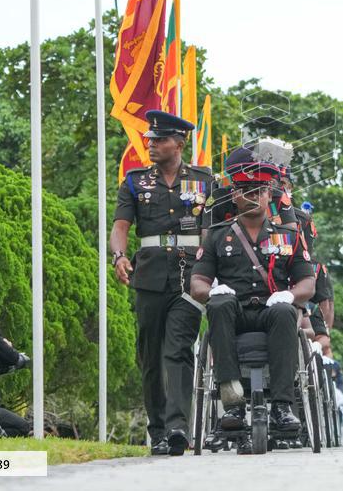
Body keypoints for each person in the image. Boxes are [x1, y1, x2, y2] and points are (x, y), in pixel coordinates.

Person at [190, 143, 315, 451]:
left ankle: (283, 407)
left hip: (273, 312)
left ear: (269, 194)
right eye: (245, 189)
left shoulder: (287, 236)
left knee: (287, 311)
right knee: (218, 303)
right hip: (235, 312)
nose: (253, 196)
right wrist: (212, 290)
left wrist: (289, 293)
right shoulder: (219, 235)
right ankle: (232, 402)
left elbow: (308, 283)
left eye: (259, 190)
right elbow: (197, 283)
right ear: (235, 194)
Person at [111, 110, 213, 455]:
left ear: (179, 144)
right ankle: (157, 430)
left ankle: (177, 428)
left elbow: (213, 228)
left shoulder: (204, 180)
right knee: (150, 356)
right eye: (149, 140)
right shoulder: (135, 182)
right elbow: (121, 226)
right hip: (150, 277)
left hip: (190, 277)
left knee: (178, 349)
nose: (151, 145)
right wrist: (118, 256)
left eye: (159, 140)